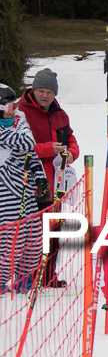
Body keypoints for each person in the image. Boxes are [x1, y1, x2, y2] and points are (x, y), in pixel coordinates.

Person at [18, 68, 80, 288]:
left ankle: (47, 276)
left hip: (57, 182)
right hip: (28, 182)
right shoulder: (19, 112)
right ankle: (27, 278)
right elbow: (14, 147)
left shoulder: (59, 114)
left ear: (55, 94)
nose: (44, 95)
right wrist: (46, 149)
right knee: (31, 232)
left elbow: (70, 137)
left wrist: (72, 151)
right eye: (41, 91)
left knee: (53, 229)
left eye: (49, 92)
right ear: (33, 90)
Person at [0, 84, 50, 294]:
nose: (13, 110)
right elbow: (24, 143)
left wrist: (40, 178)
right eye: (8, 107)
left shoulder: (20, 119)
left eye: (14, 105)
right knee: (9, 239)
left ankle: (25, 279)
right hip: (6, 188)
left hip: (26, 190)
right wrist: (21, 139)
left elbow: (29, 149)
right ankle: (2, 281)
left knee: (33, 236)